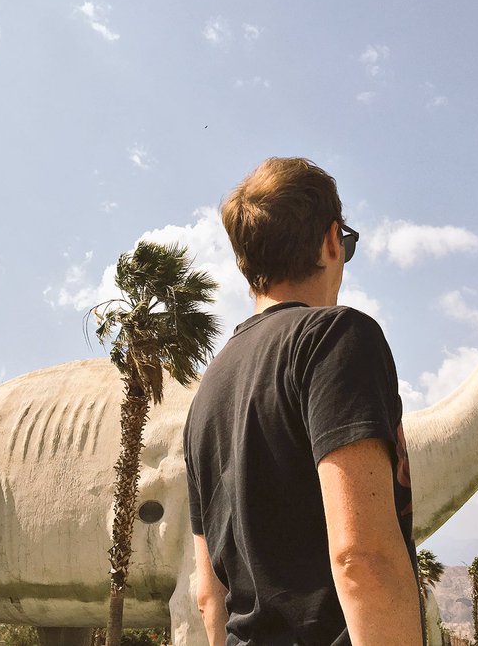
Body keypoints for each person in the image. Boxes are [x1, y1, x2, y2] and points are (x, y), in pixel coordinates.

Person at [183, 157, 423, 646]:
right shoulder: (334, 338)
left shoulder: (206, 393)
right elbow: (362, 558)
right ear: (332, 240)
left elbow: (209, 593)